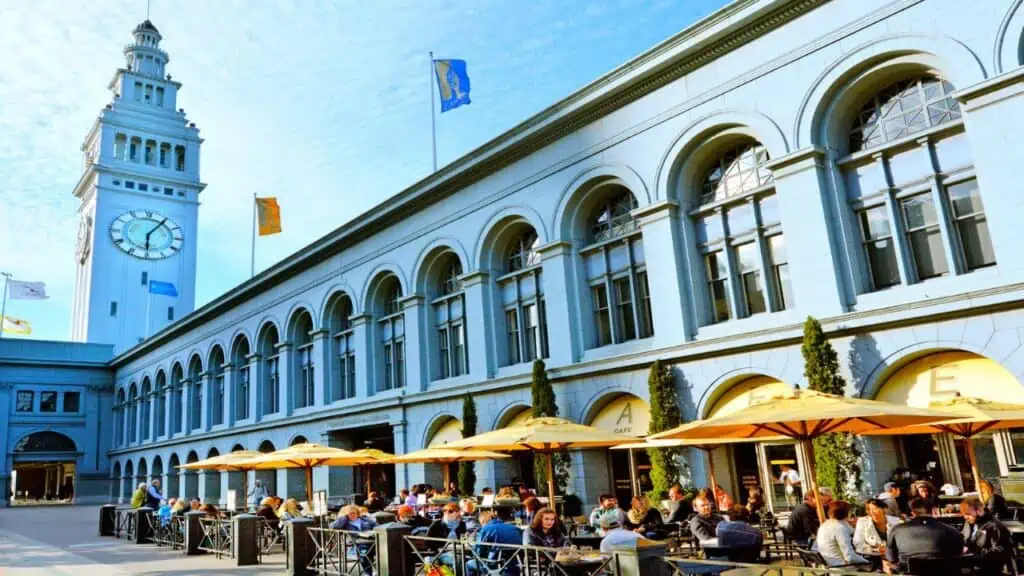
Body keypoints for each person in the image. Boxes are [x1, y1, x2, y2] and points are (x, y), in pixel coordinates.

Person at [884, 497, 963, 575]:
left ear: (912, 513)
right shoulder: (951, 531)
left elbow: (891, 557)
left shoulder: (897, 530)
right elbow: (958, 553)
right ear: (933, 510)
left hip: (909, 573)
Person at [961, 495, 1013, 576]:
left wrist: (976, 554)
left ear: (979, 510)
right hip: (969, 564)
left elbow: (1001, 550)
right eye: (964, 514)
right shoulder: (969, 523)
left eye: (967, 514)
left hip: (986, 568)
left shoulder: (994, 526)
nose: (965, 517)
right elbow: (963, 538)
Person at [469, 507, 523, 576]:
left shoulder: (486, 529)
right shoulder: (515, 528)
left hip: (495, 566)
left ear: (483, 522)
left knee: (469, 564)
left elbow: (478, 553)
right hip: (516, 565)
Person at [815, 500, 869, 568]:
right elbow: (850, 557)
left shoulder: (825, 525)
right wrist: (867, 561)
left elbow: (851, 531)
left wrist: (856, 524)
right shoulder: (840, 528)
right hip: (842, 567)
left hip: (829, 564)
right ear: (847, 513)